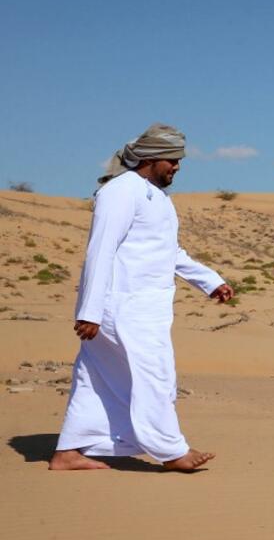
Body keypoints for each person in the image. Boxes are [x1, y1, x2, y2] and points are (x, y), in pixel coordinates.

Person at [49, 123, 234, 472]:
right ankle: (170, 450)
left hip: (136, 307)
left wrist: (210, 281)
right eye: (173, 160)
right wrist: (90, 310)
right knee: (155, 375)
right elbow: (100, 251)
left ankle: (68, 452)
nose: (177, 167)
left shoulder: (155, 197)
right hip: (123, 307)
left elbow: (168, 252)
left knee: (96, 377)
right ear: (151, 158)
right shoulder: (121, 192)